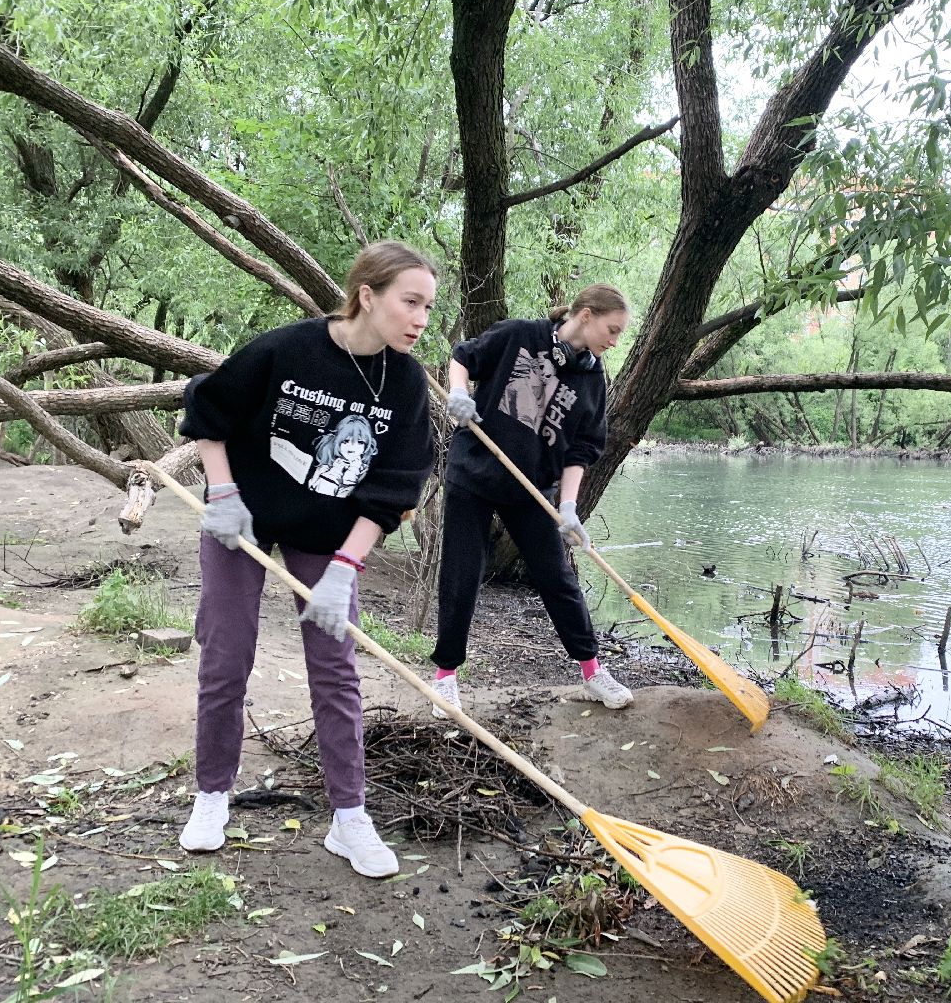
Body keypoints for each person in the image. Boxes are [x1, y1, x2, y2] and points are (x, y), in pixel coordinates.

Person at [175, 240, 437, 878]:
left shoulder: (404, 382)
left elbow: (395, 486)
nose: (421, 320)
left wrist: (346, 570)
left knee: (336, 667)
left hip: (328, 533)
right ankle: (212, 795)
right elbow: (207, 405)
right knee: (228, 651)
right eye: (410, 303)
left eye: (428, 307)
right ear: (367, 296)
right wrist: (224, 492)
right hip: (243, 517)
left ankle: (350, 817)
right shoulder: (288, 349)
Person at [430, 284, 633, 716]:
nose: (614, 341)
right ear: (586, 315)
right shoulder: (519, 334)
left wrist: (569, 506)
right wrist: (460, 393)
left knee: (556, 577)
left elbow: (581, 450)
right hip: (474, 473)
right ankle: (446, 679)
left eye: (619, 335)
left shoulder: (593, 377)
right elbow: (463, 357)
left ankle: (592, 671)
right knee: (462, 573)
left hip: (530, 489)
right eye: (611, 330)